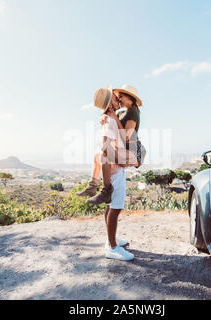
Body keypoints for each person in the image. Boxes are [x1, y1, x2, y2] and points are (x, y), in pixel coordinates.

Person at [77, 85, 143, 206]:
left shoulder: (133, 113)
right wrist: (103, 116)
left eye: (120, 97)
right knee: (97, 156)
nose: (118, 99)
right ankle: (92, 186)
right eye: (117, 97)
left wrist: (113, 117)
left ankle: (106, 191)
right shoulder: (123, 112)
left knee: (104, 154)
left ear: (129, 98)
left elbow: (126, 138)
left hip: (133, 152)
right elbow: (111, 120)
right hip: (124, 150)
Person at [90, 86, 135, 261]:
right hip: (115, 172)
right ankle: (112, 247)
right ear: (110, 104)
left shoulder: (108, 119)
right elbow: (104, 149)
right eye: (115, 99)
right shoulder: (108, 122)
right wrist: (121, 161)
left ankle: (111, 239)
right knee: (115, 209)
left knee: (111, 207)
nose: (118, 100)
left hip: (114, 171)